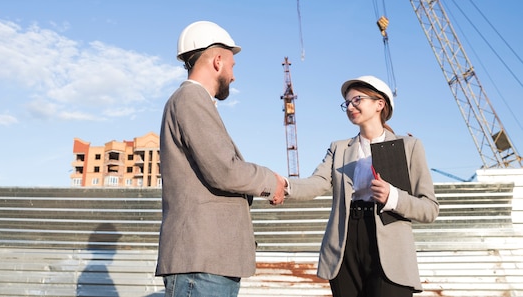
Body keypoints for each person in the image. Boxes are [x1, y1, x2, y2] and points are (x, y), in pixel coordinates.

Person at [155, 20, 286, 297]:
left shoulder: (191, 101)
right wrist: (270, 181)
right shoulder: (190, 99)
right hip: (200, 265)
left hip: (208, 264)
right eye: (232, 66)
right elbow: (224, 170)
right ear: (217, 61)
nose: (234, 76)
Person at [285, 75, 439, 296]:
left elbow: (430, 209)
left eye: (357, 100)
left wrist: (393, 197)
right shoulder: (339, 148)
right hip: (345, 244)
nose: (350, 106)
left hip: (390, 249)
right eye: (346, 103)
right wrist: (284, 185)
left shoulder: (408, 146)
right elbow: (317, 183)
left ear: (380, 104)